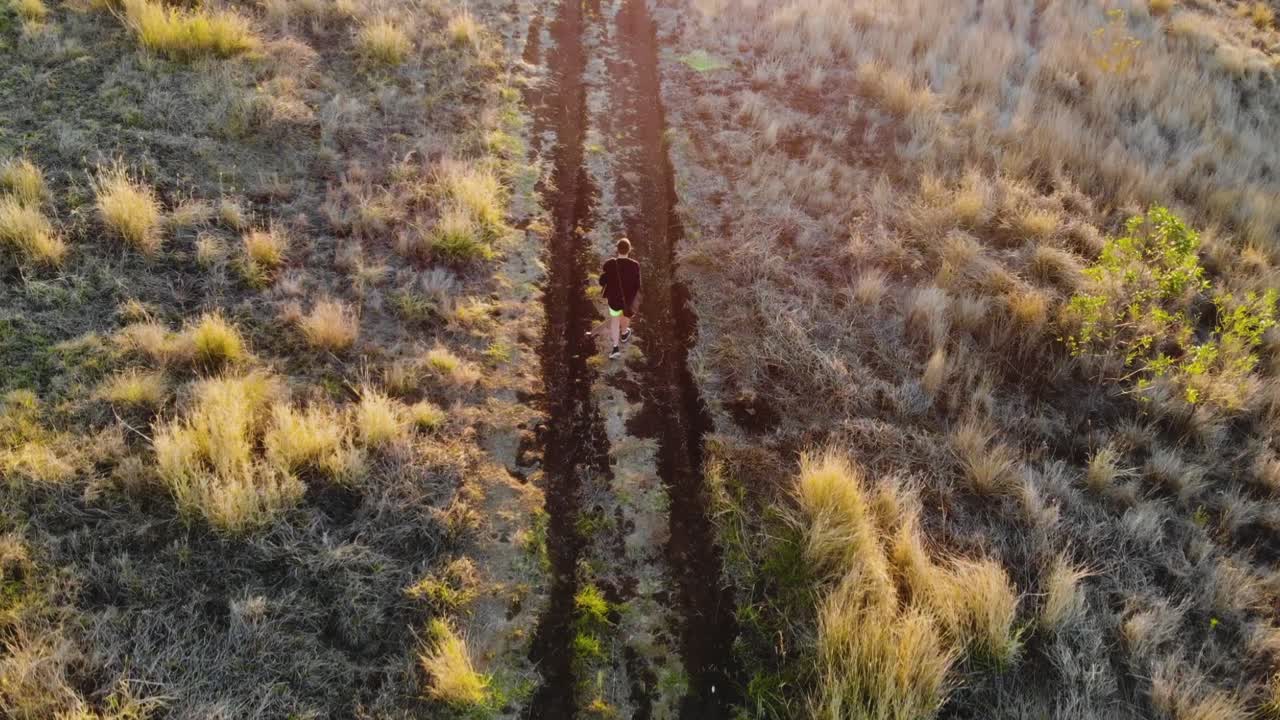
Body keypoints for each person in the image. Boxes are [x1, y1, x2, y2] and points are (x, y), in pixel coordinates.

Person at [595, 237, 641, 359]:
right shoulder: (635, 265)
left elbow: (602, 281)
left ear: (617, 249)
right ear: (629, 250)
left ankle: (615, 348)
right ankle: (624, 333)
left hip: (613, 300)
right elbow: (638, 285)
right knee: (626, 315)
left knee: (615, 320)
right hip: (628, 300)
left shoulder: (609, 264)